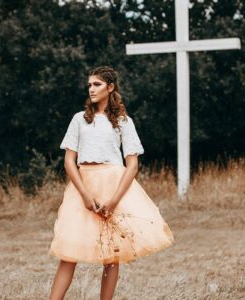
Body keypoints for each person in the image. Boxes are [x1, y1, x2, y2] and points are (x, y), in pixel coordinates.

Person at [48, 66, 174, 300]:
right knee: (69, 251)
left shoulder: (123, 122)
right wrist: (85, 196)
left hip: (113, 186)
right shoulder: (79, 119)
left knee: (111, 252)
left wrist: (115, 200)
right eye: (89, 85)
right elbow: (69, 161)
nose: (91, 89)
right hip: (83, 186)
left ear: (110, 87)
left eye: (96, 84)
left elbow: (132, 164)